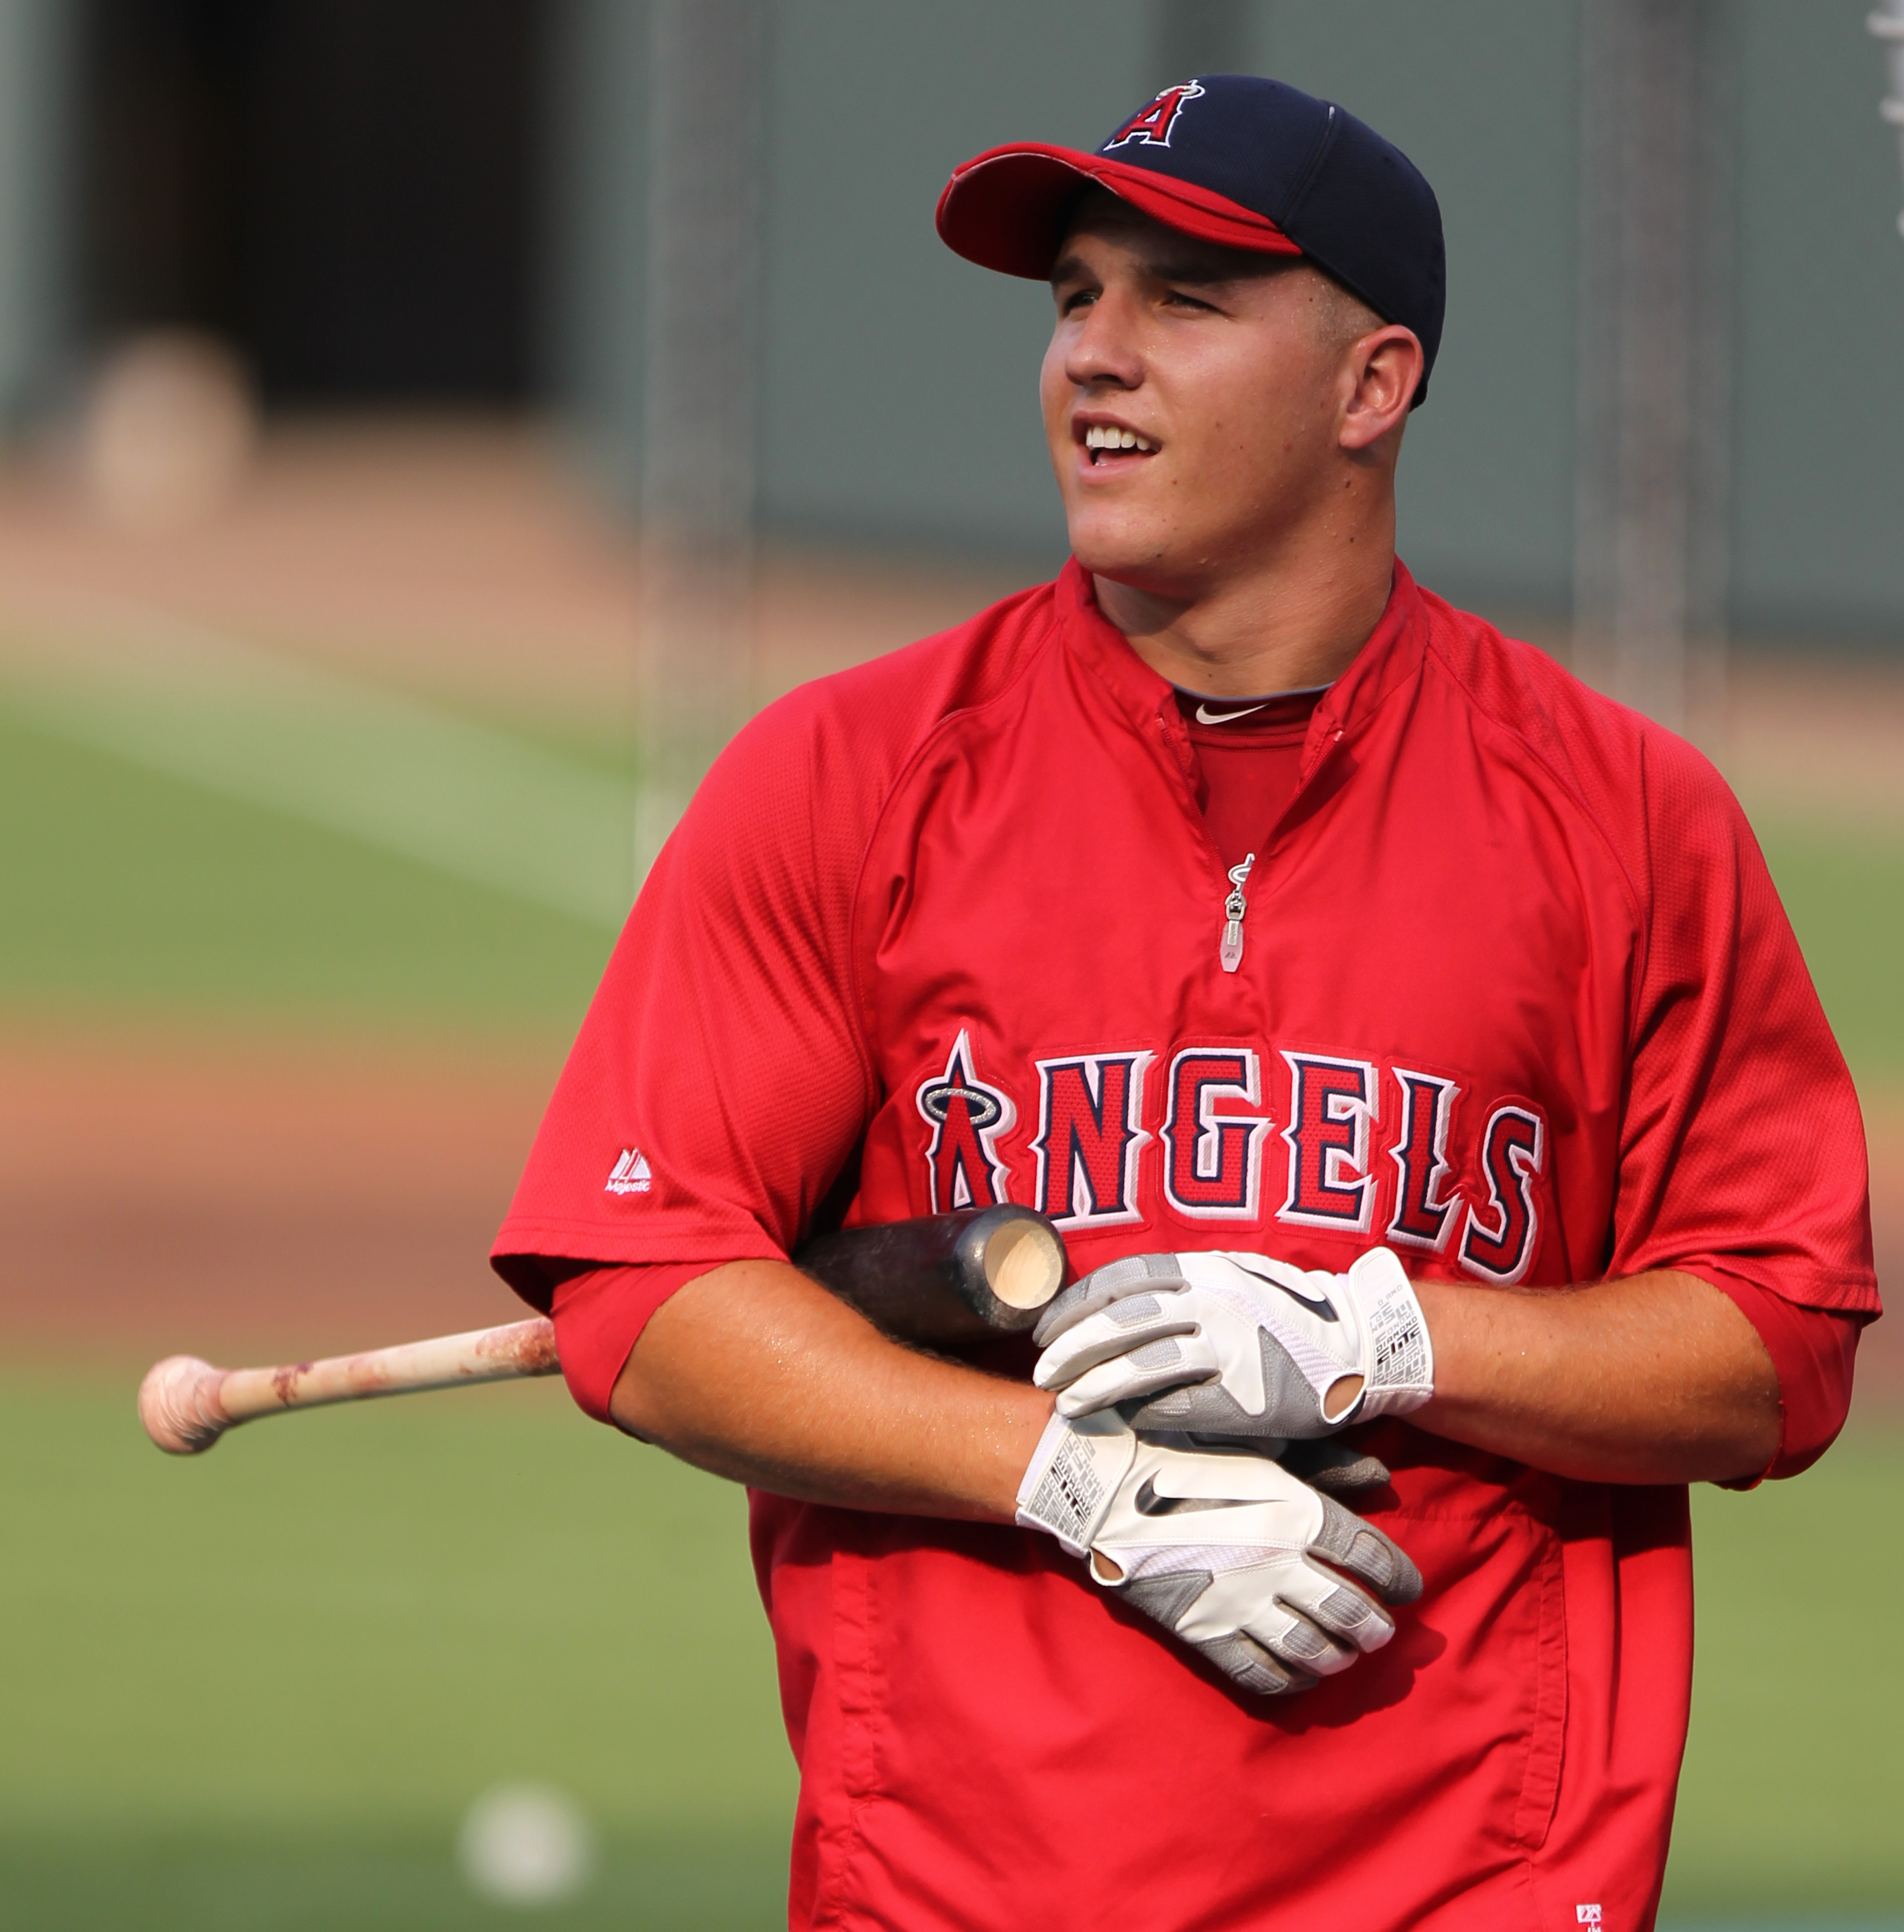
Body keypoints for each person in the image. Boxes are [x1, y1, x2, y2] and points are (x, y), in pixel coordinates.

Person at [494, 75, 1879, 1932]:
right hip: (959, 1886)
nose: (1096, 358)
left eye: (1188, 300)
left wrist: (1386, 1340)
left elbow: (1776, 1343)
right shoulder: (846, 777)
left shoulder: (1625, 820)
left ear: (1372, 385)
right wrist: (1072, 1479)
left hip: (1464, 1876)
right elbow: (644, 1293)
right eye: (1075, 296)